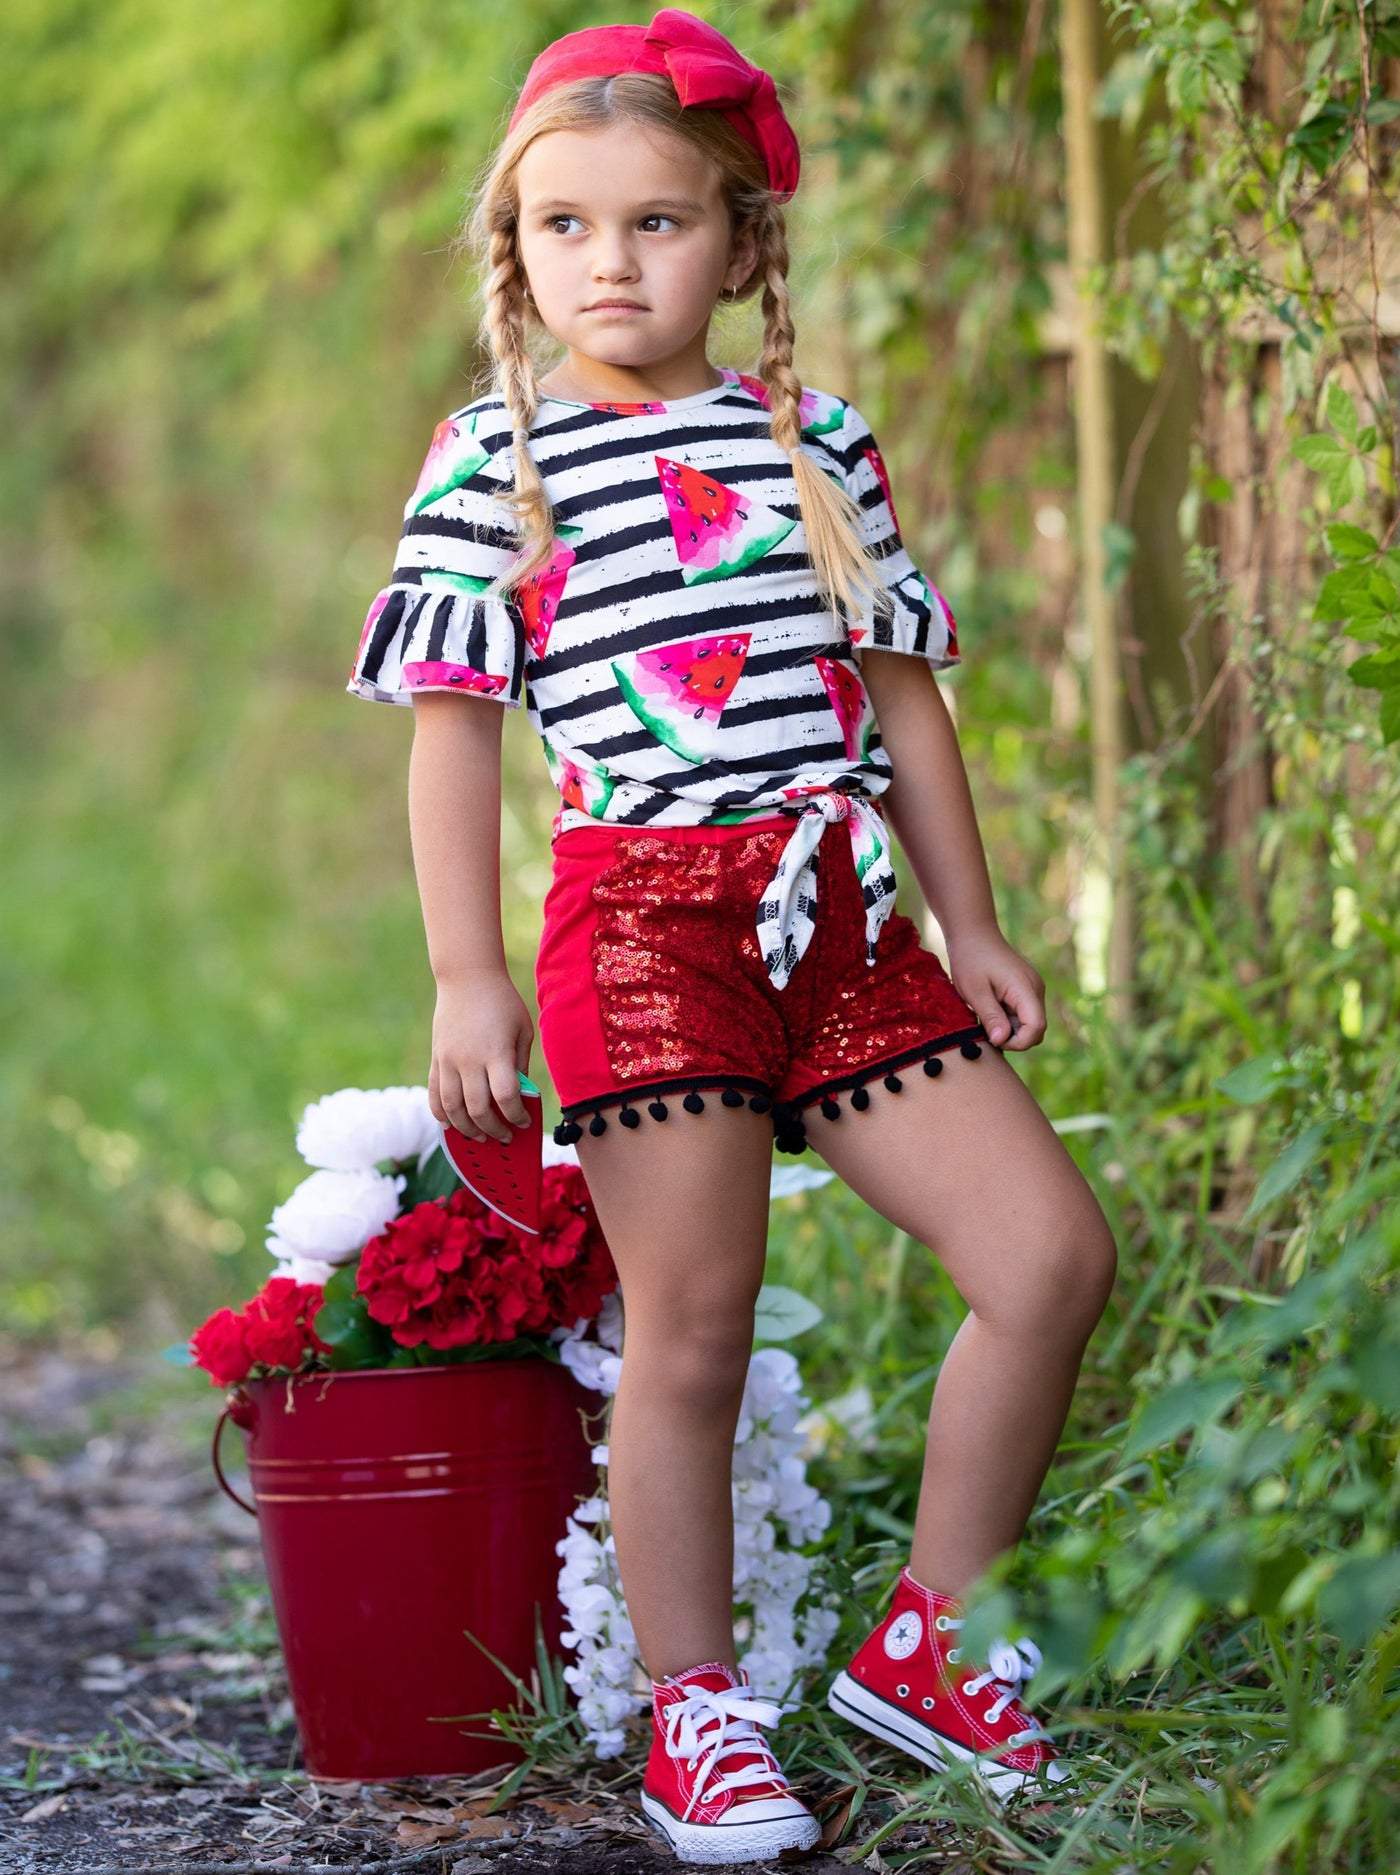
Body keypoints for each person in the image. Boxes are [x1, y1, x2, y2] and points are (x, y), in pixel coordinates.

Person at [346, 8, 1118, 1863]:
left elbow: (901, 694)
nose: (610, 262)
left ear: (743, 244)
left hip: (843, 921)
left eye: (659, 222)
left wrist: (969, 919)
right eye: (566, 225)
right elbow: (454, 736)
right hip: (644, 933)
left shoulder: (814, 439)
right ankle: (698, 1714)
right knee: (687, 1334)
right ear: (515, 246)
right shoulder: (495, 455)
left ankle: (936, 1647)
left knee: (1050, 1256)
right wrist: (465, 977)